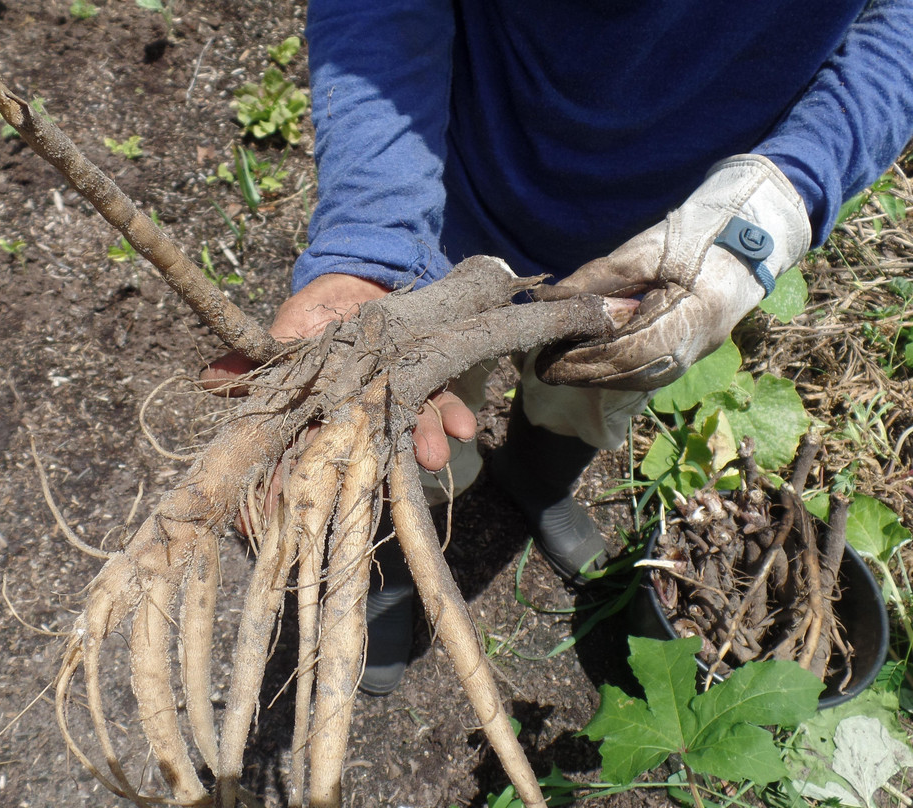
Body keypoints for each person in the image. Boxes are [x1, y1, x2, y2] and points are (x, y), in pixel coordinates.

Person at [205, 0, 913, 694]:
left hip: (672, 246)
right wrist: (376, 241)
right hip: (450, 198)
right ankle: (388, 565)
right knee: (405, 429)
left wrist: (773, 205)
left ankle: (537, 480)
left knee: (588, 402)